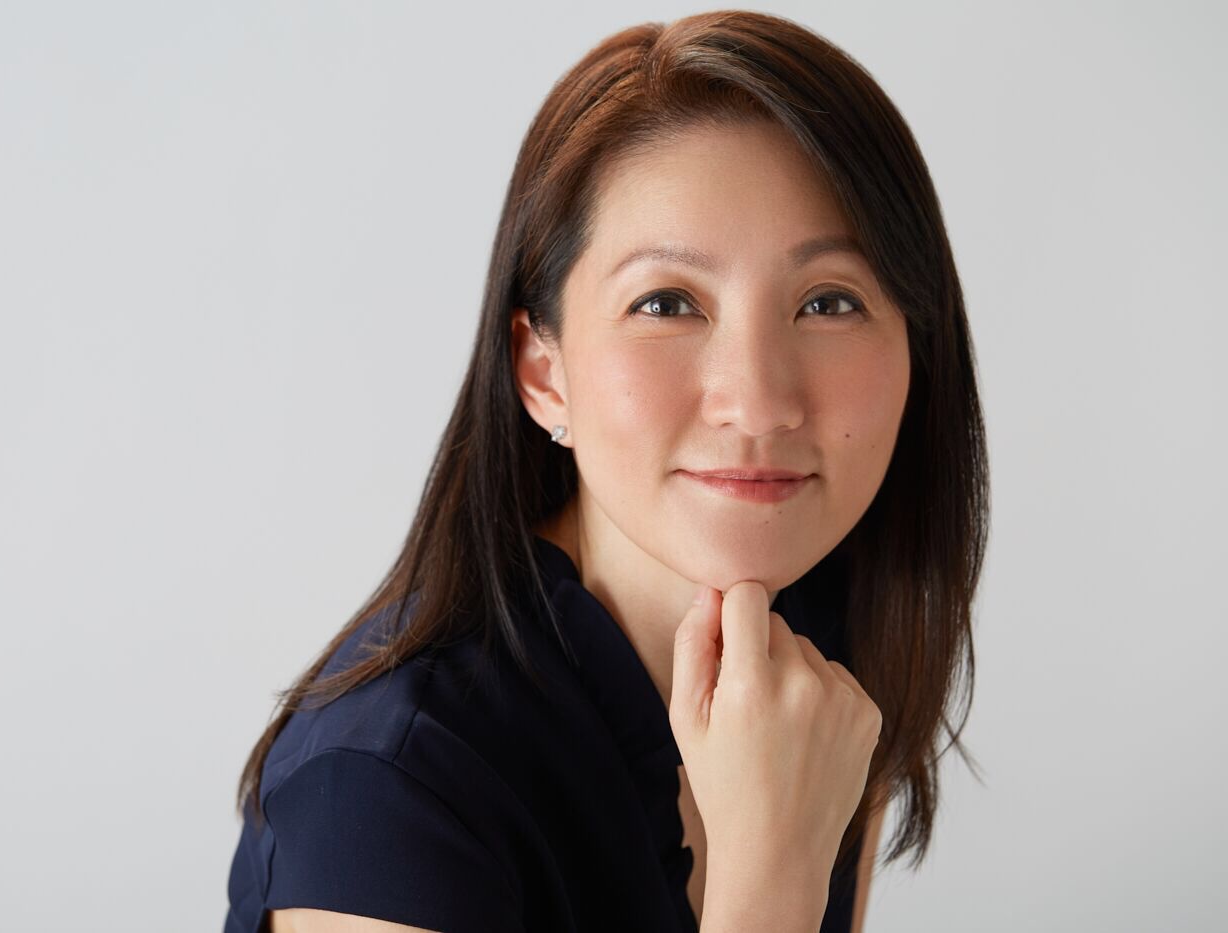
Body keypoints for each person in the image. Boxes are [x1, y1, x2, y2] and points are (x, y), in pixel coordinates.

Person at [225, 9, 987, 933]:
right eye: (666, 303)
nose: (756, 402)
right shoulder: (383, 796)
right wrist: (773, 876)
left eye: (829, 302)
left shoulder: (821, 661)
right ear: (544, 372)